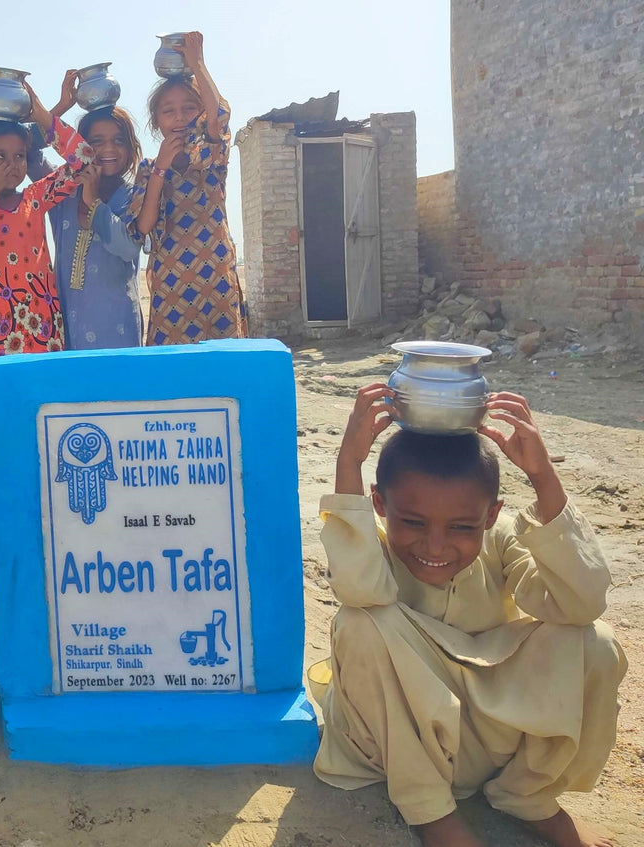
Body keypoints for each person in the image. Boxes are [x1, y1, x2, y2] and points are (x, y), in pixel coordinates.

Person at [312, 385, 627, 847]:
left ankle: (526, 796)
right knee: (359, 622)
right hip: (397, 743)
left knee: (594, 642)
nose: (435, 546)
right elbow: (358, 590)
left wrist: (543, 477)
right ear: (380, 504)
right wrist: (349, 464)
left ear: (490, 514)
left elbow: (581, 602)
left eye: (461, 527)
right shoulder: (371, 544)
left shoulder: (501, 538)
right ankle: (431, 813)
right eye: (414, 522)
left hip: (486, 737)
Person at [0, 72, 93, 374]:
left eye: (19, 156)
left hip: (43, 327)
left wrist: (44, 115)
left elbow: (83, 159)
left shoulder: (36, 197)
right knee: (7, 409)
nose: (12, 164)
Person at [128, 31, 246, 345]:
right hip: (171, 284)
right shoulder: (149, 169)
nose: (179, 118)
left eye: (189, 108)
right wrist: (161, 170)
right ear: (156, 121)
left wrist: (198, 65)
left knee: (223, 365)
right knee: (173, 373)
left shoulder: (211, 155)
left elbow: (219, 115)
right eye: (169, 111)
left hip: (216, 277)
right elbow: (144, 225)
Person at [28, 95, 143, 349]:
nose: (108, 149)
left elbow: (127, 247)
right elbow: (27, 152)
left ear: (131, 147)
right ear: (80, 147)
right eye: (96, 142)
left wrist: (93, 202)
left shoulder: (134, 196)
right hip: (69, 332)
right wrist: (57, 110)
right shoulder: (63, 191)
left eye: (118, 141)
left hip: (119, 334)